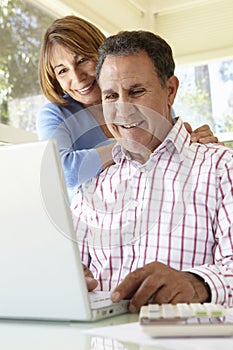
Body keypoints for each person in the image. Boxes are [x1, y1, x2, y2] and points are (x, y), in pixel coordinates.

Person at [71, 30, 233, 312]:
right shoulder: (93, 185)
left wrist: (196, 284)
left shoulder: (221, 168)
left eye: (136, 91)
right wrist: (72, 277)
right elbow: (72, 266)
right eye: (111, 96)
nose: (123, 109)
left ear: (170, 90)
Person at [37, 15, 218, 203]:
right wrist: (130, 146)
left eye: (82, 60)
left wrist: (197, 143)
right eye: (62, 70)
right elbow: (62, 173)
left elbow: (172, 150)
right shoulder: (56, 114)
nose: (77, 77)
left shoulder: (146, 100)